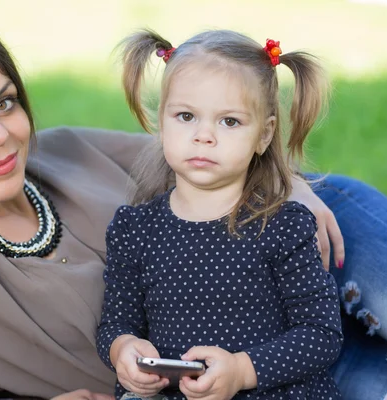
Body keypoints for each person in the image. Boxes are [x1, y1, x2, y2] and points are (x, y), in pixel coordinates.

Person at [0, 15, 387, 400]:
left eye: (6, 103)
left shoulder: (63, 152)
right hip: (254, 378)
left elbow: (213, 142)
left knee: (378, 274)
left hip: (306, 247)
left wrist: (286, 183)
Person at [96, 29, 342, 399]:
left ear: (264, 134)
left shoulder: (282, 224)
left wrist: (243, 370)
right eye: (185, 116)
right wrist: (123, 351)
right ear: (162, 122)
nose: (204, 135)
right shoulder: (135, 229)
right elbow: (117, 322)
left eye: (229, 121)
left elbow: (321, 334)